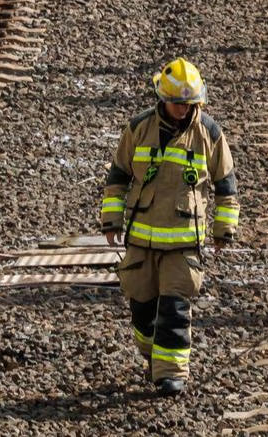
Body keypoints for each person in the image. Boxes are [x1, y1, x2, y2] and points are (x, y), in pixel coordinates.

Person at [100, 57, 240, 396]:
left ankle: (171, 376)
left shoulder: (209, 133)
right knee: (142, 309)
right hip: (141, 240)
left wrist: (224, 230)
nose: (183, 109)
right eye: (178, 103)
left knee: (175, 309)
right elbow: (118, 177)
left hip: (183, 243)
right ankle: (153, 357)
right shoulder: (138, 128)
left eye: (189, 103)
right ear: (163, 98)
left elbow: (226, 186)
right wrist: (110, 221)